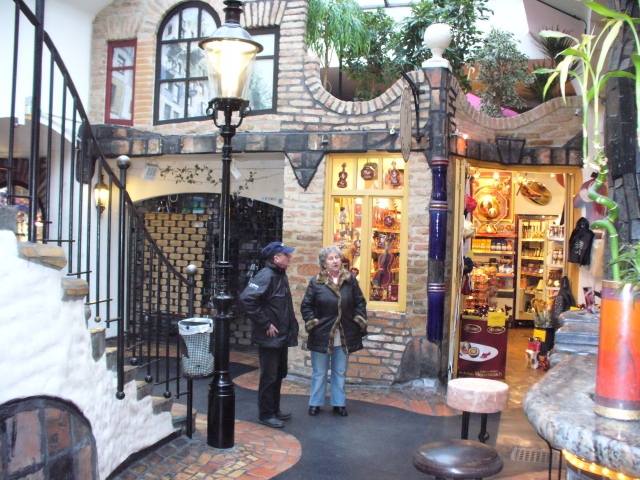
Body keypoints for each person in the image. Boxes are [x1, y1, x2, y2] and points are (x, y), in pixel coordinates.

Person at [301, 245, 367, 417]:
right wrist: (313, 323)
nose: (335, 261)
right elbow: (306, 306)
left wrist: (358, 320)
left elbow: (360, 302)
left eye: (337, 257)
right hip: (322, 333)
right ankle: (315, 403)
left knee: (340, 371)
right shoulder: (316, 282)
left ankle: (339, 403)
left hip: (344, 334)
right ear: (324, 263)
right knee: (319, 372)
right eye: (330, 258)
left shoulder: (350, 280)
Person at [239, 241, 299, 428]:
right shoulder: (267, 275)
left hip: (280, 336)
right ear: (276, 258)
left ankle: (274, 409)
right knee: (269, 376)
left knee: (279, 373)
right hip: (270, 338)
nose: (289, 257)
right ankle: (266, 414)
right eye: (286, 254)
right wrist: (265, 323)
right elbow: (247, 298)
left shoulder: (280, 274)